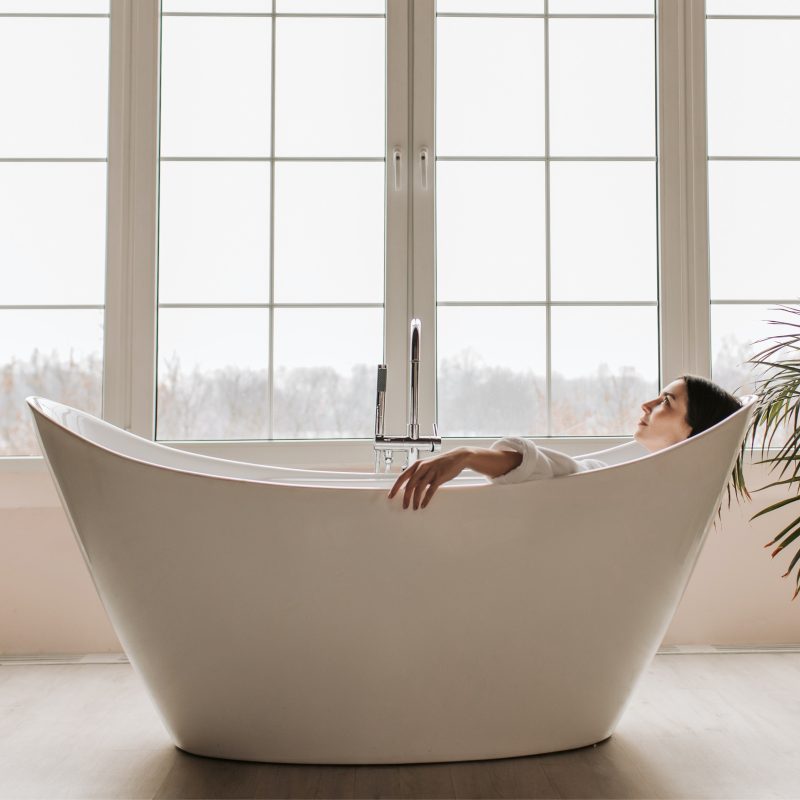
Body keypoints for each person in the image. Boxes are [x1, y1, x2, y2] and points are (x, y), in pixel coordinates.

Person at [387, 374, 741, 511]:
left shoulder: (640, 493)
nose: (646, 404)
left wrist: (467, 456)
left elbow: (561, 474)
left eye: (666, 401)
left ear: (696, 432)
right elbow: (568, 475)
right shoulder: (640, 487)